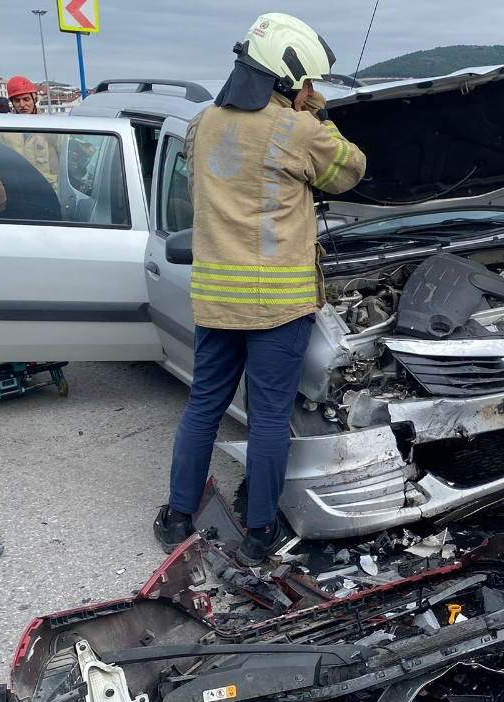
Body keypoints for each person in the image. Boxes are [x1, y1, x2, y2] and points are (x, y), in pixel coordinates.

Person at [152, 13, 366, 564]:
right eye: (306, 84)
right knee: (270, 416)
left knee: (204, 406)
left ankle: (177, 517)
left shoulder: (200, 124)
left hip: (215, 298)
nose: (311, 92)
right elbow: (351, 171)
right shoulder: (296, 129)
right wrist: (318, 115)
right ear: (286, 78)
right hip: (277, 302)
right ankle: (261, 530)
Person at [0, 76, 60, 187]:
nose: (22, 104)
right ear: (12, 103)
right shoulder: (3, 129)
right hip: (16, 189)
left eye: (26, 99)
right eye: (17, 100)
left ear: (34, 99)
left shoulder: (51, 126)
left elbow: (65, 155)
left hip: (49, 189)